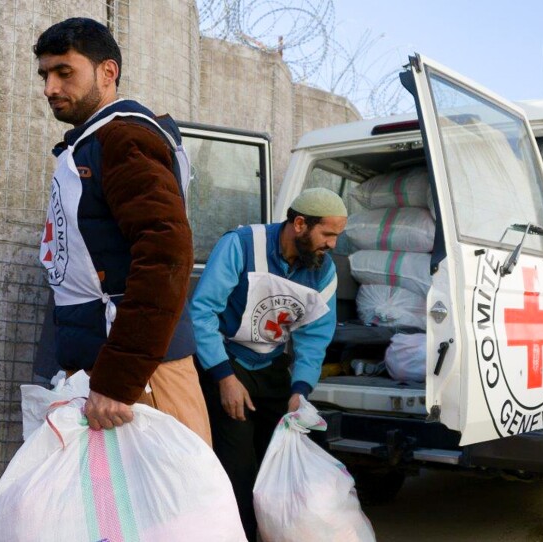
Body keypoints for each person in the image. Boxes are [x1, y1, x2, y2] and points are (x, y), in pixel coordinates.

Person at [34, 17, 210, 445]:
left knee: (175, 508)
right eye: (44, 75)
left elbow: (166, 257)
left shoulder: (124, 139)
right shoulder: (91, 143)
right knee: (110, 510)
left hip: (140, 378)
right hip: (109, 371)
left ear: (107, 72)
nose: (49, 88)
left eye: (64, 72)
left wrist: (119, 379)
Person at [190, 188, 348, 539]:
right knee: (239, 468)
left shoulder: (322, 270)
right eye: (328, 234)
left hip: (272, 367)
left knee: (289, 459)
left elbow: (314, 336)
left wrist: (300, 390)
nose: (333, 245)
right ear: (300, 224)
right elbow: (202, 312)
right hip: (227, 363)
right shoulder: (241, 245)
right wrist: (224, 378)